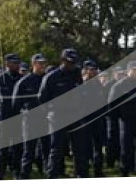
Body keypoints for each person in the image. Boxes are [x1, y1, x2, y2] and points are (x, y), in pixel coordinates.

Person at [38, 49, 83, 178]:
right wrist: (50, 113)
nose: (72, 64)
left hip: (74, 115)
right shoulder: (51, 77)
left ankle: (80, 174)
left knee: (79, 148)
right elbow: (42, 98)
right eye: (70, 62)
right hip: (57, 116)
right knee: (56, 149)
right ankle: (53, 176)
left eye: (74, 62)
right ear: (63, 61)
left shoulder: (76, 74)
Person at [0, 54, 22, 179]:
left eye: (18, 63)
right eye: (14, 63)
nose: (17, 65)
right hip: (3, 118)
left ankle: (17, 174)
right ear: (7, 64)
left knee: (18, 148)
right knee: (2, 149)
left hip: (18, 118)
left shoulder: (22, 79)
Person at [12, 54, 47, 178]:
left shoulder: (48, 79)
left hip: (46, 118)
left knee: (46, 147)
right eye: (39, 63)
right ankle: (24, 175)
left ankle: (47, 172)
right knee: (29, 149)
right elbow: (15, 103)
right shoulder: (24, 81)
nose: (42, 65)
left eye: (43, 63)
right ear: (33, 64)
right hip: (30, 119)